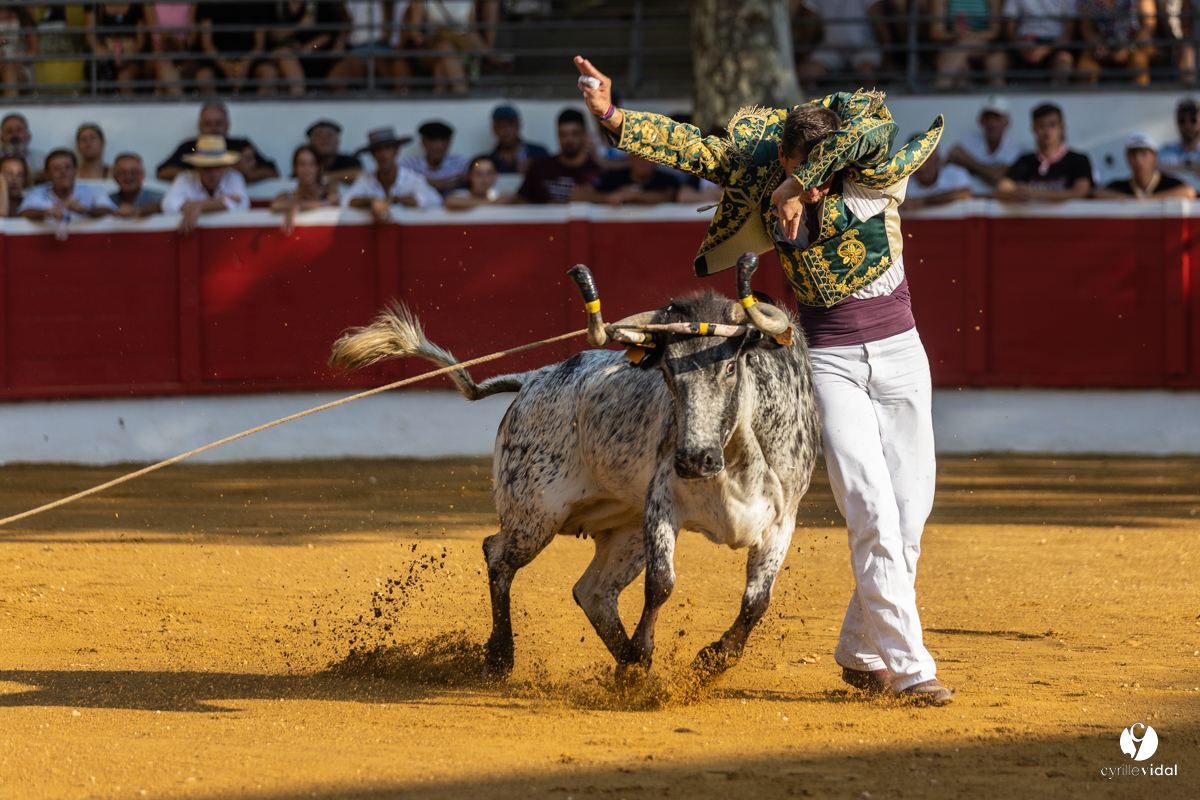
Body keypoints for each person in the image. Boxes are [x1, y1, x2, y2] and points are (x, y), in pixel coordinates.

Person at [574, 56, 953, 705]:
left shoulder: (869, 172)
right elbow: (693, 148)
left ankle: (862, 651)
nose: (808, 188)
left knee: (910, 518)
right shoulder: (761, 171)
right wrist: (611, 114)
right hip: (829, 361)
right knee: (869, 509)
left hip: (901, 353)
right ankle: (913, 668)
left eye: (817, 174)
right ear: (779, 159)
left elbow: (875, 124)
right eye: (793, 172)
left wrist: (796, 186)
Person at [157, 102, 279, 184]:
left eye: (218, 123)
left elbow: (272, 172)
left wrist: (234, 175)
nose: (213, 128)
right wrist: (200, 174)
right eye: (208, 124)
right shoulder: (189, 146)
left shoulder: (241, 145)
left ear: (227, 126)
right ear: (199, 126)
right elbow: (163, 173)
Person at [994, 103, 1093, 202]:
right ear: (1033, 129)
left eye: (1052, 125)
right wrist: (1016, 194)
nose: (1047, 131)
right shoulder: (1025, 161)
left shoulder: (1078, 160)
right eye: (1041, 126)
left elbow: (1080, 193)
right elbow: (1001, 191)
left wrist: (1036, 194)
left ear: (1062, 128)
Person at [342, 127, 443, 222]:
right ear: (373, 154)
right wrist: (372, 201)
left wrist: (396, 199)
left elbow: (435, 200)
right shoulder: (365, 179)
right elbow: (347, 201)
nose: (383, 154)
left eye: (388, 148)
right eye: (378, 150)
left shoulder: (411, 178)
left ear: (396, 150)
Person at [161, 135, 250, 234]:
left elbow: (242, 204)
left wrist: (200, 207)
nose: (213, 172)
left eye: (218, 166)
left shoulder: (234, 177)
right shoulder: (185, 178)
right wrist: (216, 202)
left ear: (226, 166)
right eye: (207, 167)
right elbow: (168, 204)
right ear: (196, 167)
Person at [516, 109, 603, 204]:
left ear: (585, 135)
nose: (569, 140)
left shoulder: (597, 172)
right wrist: (544, 210)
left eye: (575, 134)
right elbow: (519, 200)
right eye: (563, 134)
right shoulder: (540, 167)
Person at [406, 1, 487, 93]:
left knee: (440, 67)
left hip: (460, 50)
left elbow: (473, 32)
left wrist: (490, 53)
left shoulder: (469, 2)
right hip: (431, 49)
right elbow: (414, 32)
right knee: (445, 47)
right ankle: (461, 92)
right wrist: (428, 41)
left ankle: (441, 94)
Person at [794, 0, 886, 79]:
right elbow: (810, 26)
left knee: (867, 73)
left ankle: (867, 100)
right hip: (831, 48)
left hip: (864, 47)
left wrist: (889, 59)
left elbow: (880, 25)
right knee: (805, 73)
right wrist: (804, 54)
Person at [194, 1, 272, 93]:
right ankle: (215, 107)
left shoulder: (258, 4)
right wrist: (224, 64)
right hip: (217, 60)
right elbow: (207, 44)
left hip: (251, 61)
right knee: (203, 77)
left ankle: (259, 107)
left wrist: (246, 63)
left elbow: (259, 46)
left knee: (269, 73)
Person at [18, 149, 117, 222]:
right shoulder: (38, 191)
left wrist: (86, 210)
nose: (63, 173)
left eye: (68, 167)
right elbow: (24, 212)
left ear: (75, 171)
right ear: (47, 174)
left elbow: (109, 210)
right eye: (57, 168)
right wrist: (45, 212)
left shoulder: (92, 190)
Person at [1076, 0, 1157, 86]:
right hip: (1100, 45)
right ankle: (1087, 96)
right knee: (1085, 69)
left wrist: (1129, 48)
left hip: (1136, 44)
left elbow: (1148, 25)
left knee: (1138, 63)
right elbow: (1086, 28)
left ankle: (1141, 97)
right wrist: (1098, 44)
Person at [928, 0, 1007, 87]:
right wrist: (956, 33)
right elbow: (936, 32)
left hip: (985, 45)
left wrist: (972, 35)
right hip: (953, 43)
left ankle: (941, 87)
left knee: (962, 47)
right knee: (963, 68)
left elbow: (994, 32)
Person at [946, 96, 1021, 187]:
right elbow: (948, 165)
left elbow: (997, 177)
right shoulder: (969, 139)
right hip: (968, 197)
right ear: (981, 120)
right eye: (987, 117)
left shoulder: (1015, 147)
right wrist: (988, 171)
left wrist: (968, 162)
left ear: (1007, 122)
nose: (991, 123)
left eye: (997, 118)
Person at [1095, 132, 1197, 199]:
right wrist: (1127, 199)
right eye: (1133, 155)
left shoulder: (1167, 183)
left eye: (1144, 154)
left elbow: (1189, 192)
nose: (1138, 160)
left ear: (1154, 157)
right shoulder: (1121, 186)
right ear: (1127, 158)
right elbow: (1099, 193)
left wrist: (1148, 200)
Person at [271, 144, 340, 233]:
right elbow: (276, 205)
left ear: (320, 167)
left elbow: (333, 200)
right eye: (302, 164)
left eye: (312, 164)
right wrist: (322, 204)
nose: (307, 169)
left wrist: (298, 206)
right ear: (294, 168)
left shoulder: (330, 188)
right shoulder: (289, 195)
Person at [1002, 0, 1076, 82]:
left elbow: (1068, 34)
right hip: (1022, 43)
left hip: (1054, 44)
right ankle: (999, 95)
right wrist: (1021, 46)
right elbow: (1009, 31)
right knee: (996, 63)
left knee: (1064, 64)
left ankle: (1057, 93)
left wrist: (1046, 49)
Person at [84, 3, 149, 95]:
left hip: (131, 57)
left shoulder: (137, 4)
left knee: (124, 78)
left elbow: (141, 42)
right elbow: (89, 35)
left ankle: (126, 108)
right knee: (100, 75)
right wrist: (98, 48)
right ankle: (100, 107)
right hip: (106, 55)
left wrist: (129, 56)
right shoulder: (95, 4)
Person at [572, 153, 680, 206]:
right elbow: (576, 195)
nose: (642, 161)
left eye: (648, 156)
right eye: (638, 156)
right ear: (629, 158)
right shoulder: (612, 177)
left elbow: (669, 197)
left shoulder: (668, 179)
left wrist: (633, 195)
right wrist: (609, 197)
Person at [401, 121, 470, 195]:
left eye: (443, 139)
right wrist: (428, 182)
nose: (439, 146)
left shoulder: (461, 163)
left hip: (456, 205)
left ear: (449, 142)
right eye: (433, 140)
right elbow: (395, 173)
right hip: (420, 206)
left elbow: (478, 166)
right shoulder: (411, 164)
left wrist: (456, 181)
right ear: (423, 142)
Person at [903, 143, 973, 209]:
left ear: (937, 159)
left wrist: (923, 201)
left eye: (927, 159)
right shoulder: (901, 182)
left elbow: (965, 194)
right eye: (915, 161)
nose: (922, 167)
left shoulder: (954, 174)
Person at [488, 105, 549, 174]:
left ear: (518, 126)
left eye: (510, 125)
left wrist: (533, 170)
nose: (506, 130)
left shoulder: (539, 153)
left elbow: (550, 179)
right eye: (501, 126)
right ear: (494, 129)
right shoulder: (488, 161)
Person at [445, 155, 514, 209]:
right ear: (470, 176)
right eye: (478, 174)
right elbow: (451, 202)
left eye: (489, 174)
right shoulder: (460, 194)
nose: (484, 179)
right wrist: (492, 204)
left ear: (495, 176)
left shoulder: (497, 196)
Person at [0, 5, 39, 97]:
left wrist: (20, 61)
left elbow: (34, 49)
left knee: (8, 71)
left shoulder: (23, 15)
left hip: (21, 66)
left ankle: (10, 108)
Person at [1157, 98, 1200, 179]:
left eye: (1193, 120)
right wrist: (1190, 165)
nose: (1187, 125)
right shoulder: (1167, 151)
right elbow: (1150, 167)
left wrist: (1171, 169)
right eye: (1182, 120)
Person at [1, 113, 46, 181]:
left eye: (19, 130)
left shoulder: (41, 159)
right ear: (1, 139)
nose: (14, 134)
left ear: (29, 137)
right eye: (9, 131)